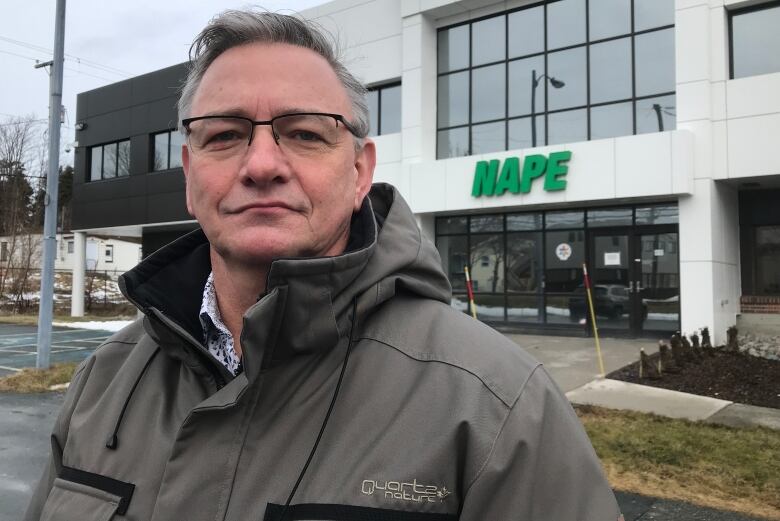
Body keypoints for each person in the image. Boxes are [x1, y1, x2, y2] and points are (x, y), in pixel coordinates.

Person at [25, 9, 622, 521]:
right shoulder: (104, 382)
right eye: (224, 135)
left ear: (360, 172)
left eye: (305, 133)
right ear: (189, 173)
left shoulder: (495, 407)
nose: (261, 163)